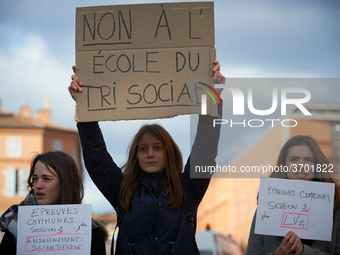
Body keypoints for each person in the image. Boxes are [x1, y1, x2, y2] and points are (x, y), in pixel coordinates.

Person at [68, 61, 225, 254]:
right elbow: (96, 158)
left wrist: (212, 97)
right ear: (136, 155)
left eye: (157, 148)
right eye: (143, 149)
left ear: (169, 153)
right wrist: (85, 106)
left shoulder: (188, 189)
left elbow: (205, 149)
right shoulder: (122, 191)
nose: (150, 154)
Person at [246, 135, 340, 255]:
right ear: (284, 165)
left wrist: (305, 252)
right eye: (294, 159)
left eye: (308, 160)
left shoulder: (335, 207)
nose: (301, 165)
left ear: (317, 166)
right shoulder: (266, 207)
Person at [0, 151, 108, 254]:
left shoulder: (91, 233)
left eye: (46, 179)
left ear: (65, 184)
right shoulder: (16, 225)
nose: (38, 185)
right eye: (35, 179)